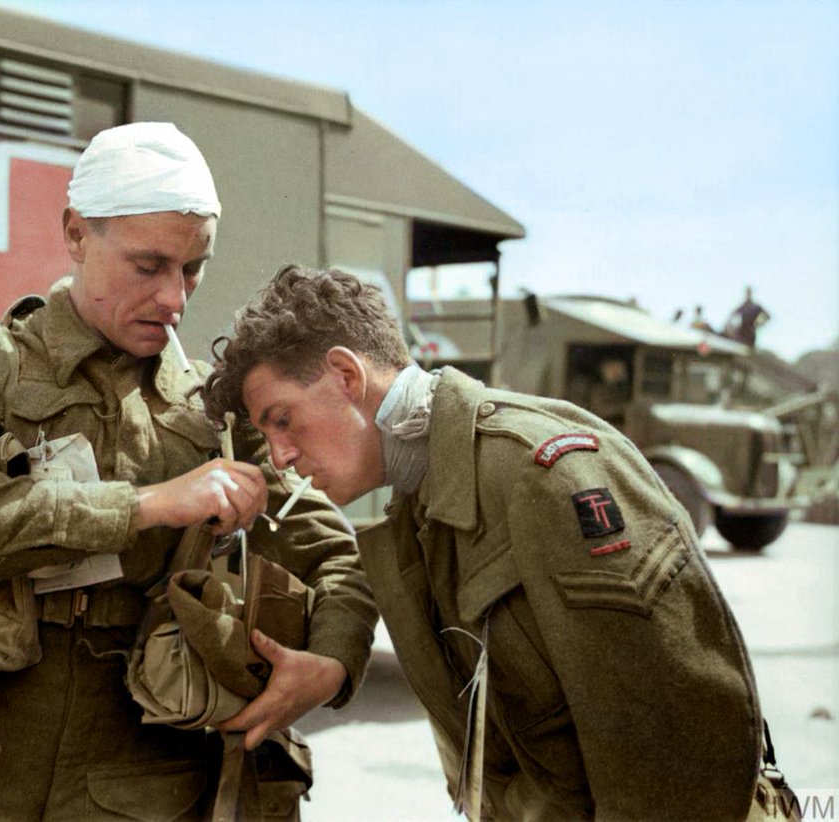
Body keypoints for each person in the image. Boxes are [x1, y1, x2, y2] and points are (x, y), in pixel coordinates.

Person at [0, 126, 376, 820]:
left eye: (194, 268)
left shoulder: (221, 413)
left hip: (142, 785)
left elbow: (332, 554)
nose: (176, 297)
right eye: (149, 266)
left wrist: (332, 663)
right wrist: (147, 506)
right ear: (77, 234)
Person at [203, 264, 791, 821]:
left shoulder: (541, 474)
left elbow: (671, 757)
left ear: (346, 376)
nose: (279, 455)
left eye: (283, 419)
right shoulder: (422, 495)